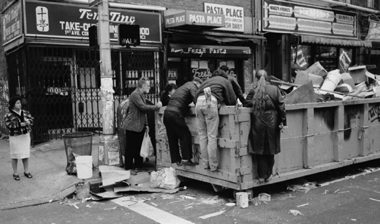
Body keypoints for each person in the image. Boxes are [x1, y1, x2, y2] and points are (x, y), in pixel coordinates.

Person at [244, 70, 287, 183]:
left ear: (256, 79)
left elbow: (246, 103)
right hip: (273, 123)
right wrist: (283, 122)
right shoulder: (274, 89)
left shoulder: (254, 91)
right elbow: (282, 107)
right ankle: (269, 175)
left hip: (258, 123)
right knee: (271, 149)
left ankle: (261, 176)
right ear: (267, 78)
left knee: (260, 150)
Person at [195, 69, 236, 172]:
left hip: (198, 103)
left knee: (202, 136)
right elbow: (232, 99)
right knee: (212, 137)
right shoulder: (224, 81)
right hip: (210, 102)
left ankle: (205, 164)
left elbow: (196, 95)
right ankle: (213, 166)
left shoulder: (206, 81)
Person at [124, 77, 162, 174]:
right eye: (148, 85)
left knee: (138, 146)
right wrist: (156, 107)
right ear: (143, 86)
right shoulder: (135, 95)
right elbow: (143, 107)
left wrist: (146, 125)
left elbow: (142, 112)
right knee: (130, 147)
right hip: (132, 125)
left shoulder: (141, 95)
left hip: (139, 125)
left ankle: (138, 165)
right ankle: (128, 167)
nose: (149, 87)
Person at [164, 77, 203, 166]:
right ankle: (186, 159)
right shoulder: (192, 86)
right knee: (185, 134)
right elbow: (196, 99)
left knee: (172, 137)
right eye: (200, 87)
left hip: (167, 113)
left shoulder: (182, 87)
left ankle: (176, 160)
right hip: (175, 114)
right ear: (197, 83)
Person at [4, 96, 34, 181]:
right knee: (15, 155)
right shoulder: (8, 115)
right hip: (15, 137)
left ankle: (26, 171)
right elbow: (9, 125)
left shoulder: (25, 112)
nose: (20, 104)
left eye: (20, 102)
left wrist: (29, 122)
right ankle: (15, 173)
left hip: (25, 136)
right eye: (17, 103)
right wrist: (20, 124)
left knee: (25, 154)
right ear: (13, 105)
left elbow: (32, 120)